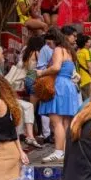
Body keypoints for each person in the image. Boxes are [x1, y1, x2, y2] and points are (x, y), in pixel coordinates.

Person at [37, 27, 82, 163]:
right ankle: (66, 151)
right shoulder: (69, 50)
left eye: (49, 43)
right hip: (69, 86)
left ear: (54, 40)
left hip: (59, 85)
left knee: (56, 122)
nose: (49, 46)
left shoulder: (58, 49)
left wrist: (41, 72)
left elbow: (56, 67)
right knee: (66, 122)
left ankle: (58, 151)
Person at [76, 34, 91, 101]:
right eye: (90, 41)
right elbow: (90, 66)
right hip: (88, 80)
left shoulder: (78, 52)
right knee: (90, 101)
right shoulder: (87, 52)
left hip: (80, 81)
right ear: (86, 43)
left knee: (84, 101)